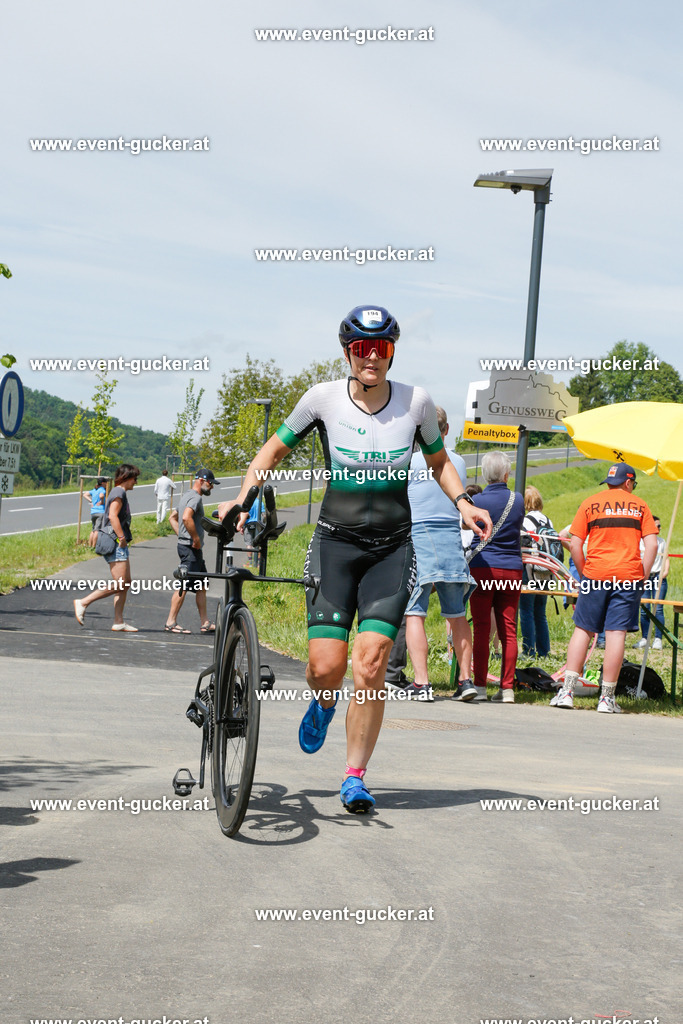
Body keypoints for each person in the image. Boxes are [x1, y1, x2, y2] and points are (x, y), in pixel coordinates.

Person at [217, 304, 491, 815]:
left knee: (370, 665)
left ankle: (355, 776)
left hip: (392, 548)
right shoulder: (321, 399)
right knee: (327, 668)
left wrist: (464, 502)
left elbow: (437, 462)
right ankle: (323, 700)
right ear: (348, 353)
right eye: (362, 349)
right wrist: (242, 497)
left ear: (391, 352)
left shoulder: (417, 403)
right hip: (334, 545)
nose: (372, 358)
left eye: (381, 348)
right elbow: (271, 453)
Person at [551, 463, 658, 713]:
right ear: (629, 483)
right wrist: (641, 576)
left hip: (595, 575)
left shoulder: (590, 503)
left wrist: (584, 571)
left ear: (610, 482)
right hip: (627, 577)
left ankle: (567, 692)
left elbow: (573, 542)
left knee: (583, 630)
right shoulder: (640, 506)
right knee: (616, 634)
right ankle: (607, 698)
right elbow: (652, 546)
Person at [404, 406, 477, 702]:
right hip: (450, 538)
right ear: (445, 431)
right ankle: (465, 680)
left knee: (414, 612)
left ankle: (422, 682)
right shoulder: (457, 462)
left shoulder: (407, 463)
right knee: (457, 614)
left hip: (417, 535)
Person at [467, 452, 525, 703]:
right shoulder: (518, 499)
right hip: (512, 568)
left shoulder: (476, 500)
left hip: (483, 567)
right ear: (506, 474)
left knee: (481, 629)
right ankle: (507, 688)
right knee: (508, 631)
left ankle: (480, 686)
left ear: (484, 474)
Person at [73, 464, 140, 631]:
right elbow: (112, 515)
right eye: (134, 479)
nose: (136, 482)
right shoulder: (119, 492)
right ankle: (83, 602)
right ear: (126, 477)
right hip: (115, 541)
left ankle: (118, 621)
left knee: (125, 583)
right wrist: (122, 538)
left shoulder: (118, 492)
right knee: (121, 583)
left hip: (117, 541)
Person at [165, 468, 218, 634]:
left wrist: (182, 536)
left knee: (201, 584)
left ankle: (205, 622)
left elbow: (172, 518)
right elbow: (186, 517)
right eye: (210, 483)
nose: (212, 487)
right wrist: (194, 538)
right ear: (201, 481)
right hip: (190, 548)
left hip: (190, 547)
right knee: (184, 584)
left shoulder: (187, 495)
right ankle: (171, 622)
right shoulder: (194, 498)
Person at [519, 485, 553, 658]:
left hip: (529, 570)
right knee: (541, 613)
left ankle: (528, 650)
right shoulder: (547, 520)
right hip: (547, 571)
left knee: (526, 611)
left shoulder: (524, 521)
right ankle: (544, 650)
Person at [637, 515, 668, 651]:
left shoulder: (662, 542)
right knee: (644, 609)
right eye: (656, 526)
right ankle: (645, 638)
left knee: (658, 608)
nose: (659, 529)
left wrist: (664, 573)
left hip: (658, 577)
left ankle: (658, 639)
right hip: (644, 577)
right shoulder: (639, 542)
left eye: (660, 526)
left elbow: (666, 559)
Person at [83, 477, 107, 549]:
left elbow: (85, 494)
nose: (106, 484)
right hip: (100, 511)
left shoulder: (94, 490)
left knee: (93, 530)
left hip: (93, 512)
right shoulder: (102, 489)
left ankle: (90, 545)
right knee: (97, 530)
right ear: (103, 483)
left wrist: (91, 501)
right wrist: (102, 501)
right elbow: (101, 495)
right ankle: (94, 546)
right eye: (106, 483)